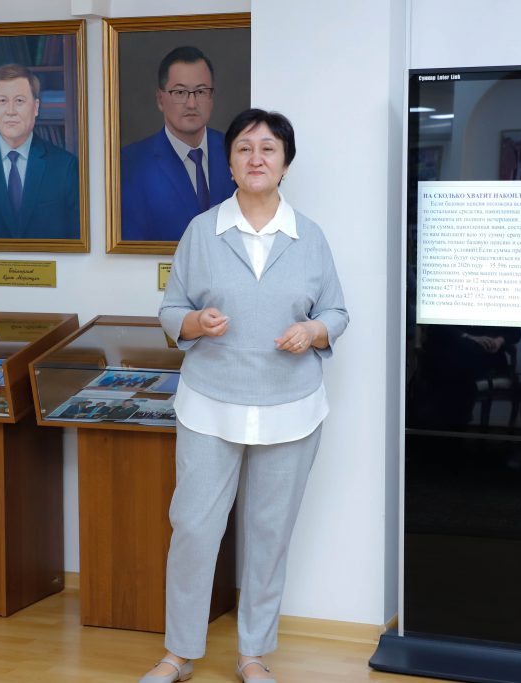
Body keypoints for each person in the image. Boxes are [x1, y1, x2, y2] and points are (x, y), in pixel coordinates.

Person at [148, 109, 348, 683]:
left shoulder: (309, 237)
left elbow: (336, 311)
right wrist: (194, 323)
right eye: (243, 148)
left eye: (268, 149)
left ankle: (253, 654)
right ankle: (178, 654)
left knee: (269, 534)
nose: (256, 158)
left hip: (291, 408)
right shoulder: (202, 231)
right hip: (210, 403)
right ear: (230, 162)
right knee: (193, 528)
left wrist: (313, 331)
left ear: (285, 163)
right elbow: (170, 310)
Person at [120, 46, 237, 242]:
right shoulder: (130, 163)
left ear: (211, 98)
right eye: (180, 92)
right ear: (160, 100)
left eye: (201, 91)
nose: (191, 104)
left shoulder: (235, 152)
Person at [0, 63, 80, 239]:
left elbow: (76, 238)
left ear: (36, 107)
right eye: (2, 101)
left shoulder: (65, 166)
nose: (10, 111)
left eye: (19, 101)